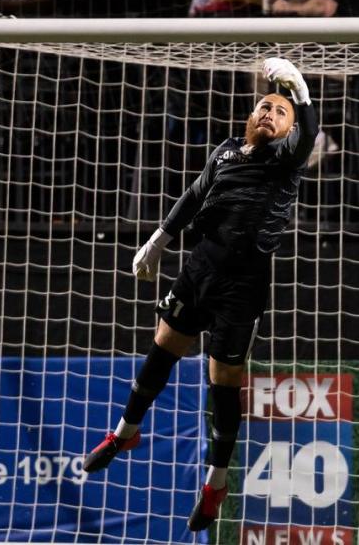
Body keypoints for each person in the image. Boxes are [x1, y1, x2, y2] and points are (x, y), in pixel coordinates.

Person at [81, 58, 318, 533]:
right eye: (265, 106)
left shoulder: (284, 159)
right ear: (250, 117)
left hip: (244, 285)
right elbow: (193, 194)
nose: (272, 112)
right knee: (162, 350)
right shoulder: (228, 150)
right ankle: (125, 433)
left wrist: (300, 90)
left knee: (223, 383)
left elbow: (308, 135)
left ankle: (215, 485)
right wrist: (157, 241)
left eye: (282, 111)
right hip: (199, 268)